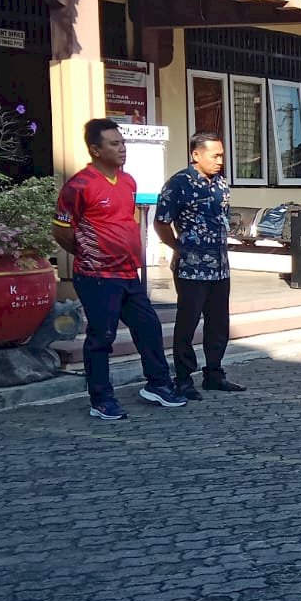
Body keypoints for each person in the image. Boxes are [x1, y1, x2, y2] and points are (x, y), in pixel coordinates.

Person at [54, 118, 186, 421]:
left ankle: (158, 385)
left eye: (122, 142)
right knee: (102, 337)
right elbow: (60, 230)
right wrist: (87, 252)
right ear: (95, 150)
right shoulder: (78, 186)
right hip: (97, 277)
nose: (122, 149)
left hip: (129, 274)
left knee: (149, 328)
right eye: (114, 144)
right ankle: (101, 399)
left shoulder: (128, 182)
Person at [154, 132, 244, 401]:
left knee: (218, 324)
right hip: (191, 268)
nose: (220, 161)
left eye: (221, 156)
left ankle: (214, 374)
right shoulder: (179, 184)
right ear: (196, 155)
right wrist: (178, 247)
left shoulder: (221, 184)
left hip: (219, 267)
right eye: (215, 156)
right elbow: (161, 221)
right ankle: (183, 379)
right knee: (187, 323)